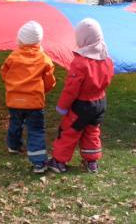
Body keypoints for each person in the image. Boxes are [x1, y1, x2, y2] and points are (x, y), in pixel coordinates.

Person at [47, 19, 114, 174]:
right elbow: (107, 79)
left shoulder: (80, 63)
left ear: (82, 39)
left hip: (82, 106)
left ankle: (58, 162)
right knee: (92, 131)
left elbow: (71, 89)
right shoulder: (107, 59)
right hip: (100, 102)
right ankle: (91, 162)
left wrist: (62, 107)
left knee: (68, 132)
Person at [0, 21, 56, 173]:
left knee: (15, 124)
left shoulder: (13, 57)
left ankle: (13, 146)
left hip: (14, 101)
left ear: (20, 40)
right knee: (36, 130)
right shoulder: (43, 59)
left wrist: (12, 85)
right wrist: (44, 89)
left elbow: (4, 73)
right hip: (34, 103)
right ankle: (38, 162)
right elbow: (49, 80)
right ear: (39, 41)